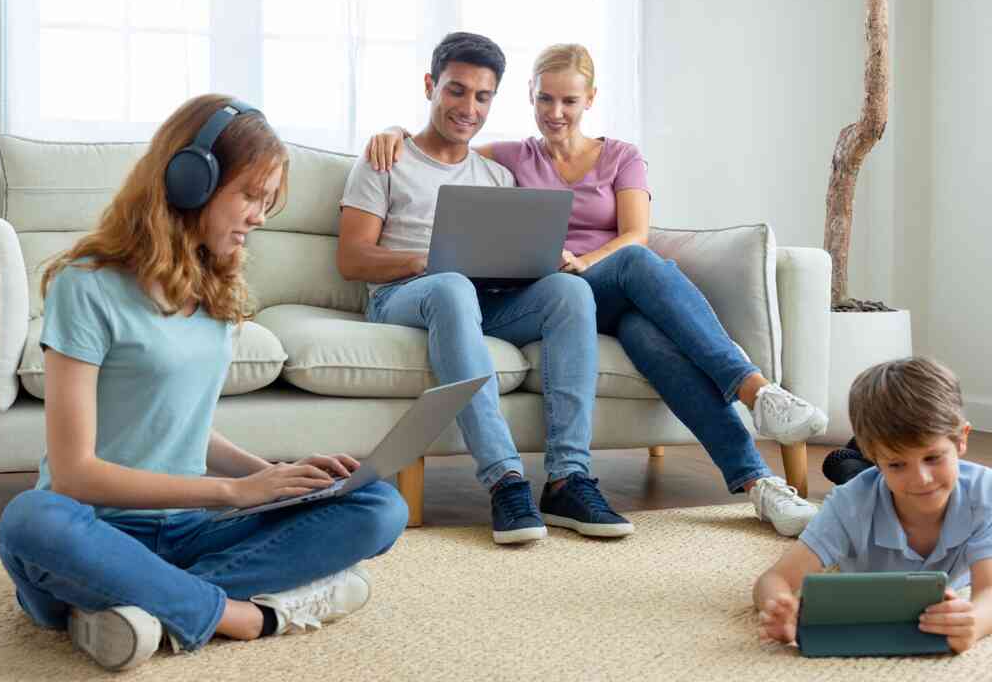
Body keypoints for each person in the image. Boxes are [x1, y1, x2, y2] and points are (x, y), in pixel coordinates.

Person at [0, 95, 408, 672]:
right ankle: (249, 615)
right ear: (190, 181)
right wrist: (232, 493)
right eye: (251, 196)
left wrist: (267, 475)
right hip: (92, 532)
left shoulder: (213, 286)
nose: (261, 217)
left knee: (378, 505)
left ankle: (142, 607)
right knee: (29, 520)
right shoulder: (84, 286)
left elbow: (182, 425)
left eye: (268, 202)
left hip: (187, 530)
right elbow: (73, 475)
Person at [364, 43, 826, 536]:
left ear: (590, 100)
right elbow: (443, 152)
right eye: (545, 100)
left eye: (569, 101)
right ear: (530, 98)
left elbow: (636, 234)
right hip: (562, 295)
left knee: (648, 320)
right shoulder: (512, 159)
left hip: (612, 288)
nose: (556, 113)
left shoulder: (621, 157)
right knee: (630, 267)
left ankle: (759, 482)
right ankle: (755, 392)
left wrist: (582, 262)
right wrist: (394, 132)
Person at [338, 32, 633, 546]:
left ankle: (568, 478)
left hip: (481, 299)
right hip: (403, 297)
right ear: (430, 86)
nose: (468, 107)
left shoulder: (496, 176)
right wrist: (427, 262)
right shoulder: (385, 159)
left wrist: (544, 263)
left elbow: (511, 261)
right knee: (451, 283)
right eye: (455, 90)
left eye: (482, 96)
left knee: (570, 293)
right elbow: (351, 259)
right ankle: (505, 479)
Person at [754, 357, 992, 655]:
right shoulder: (850, 503)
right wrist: (780, 610)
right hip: (867, 488)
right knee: (856, 485)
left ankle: (854, 463)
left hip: (877, 481)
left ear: (961, 441)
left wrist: (975, 623)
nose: (922, 479)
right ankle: (854, 465)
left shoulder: (985, 493)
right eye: (896, 463)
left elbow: (988, 592)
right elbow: (773, 579)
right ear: (877, 459)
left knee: (872, 481)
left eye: (933, 458)